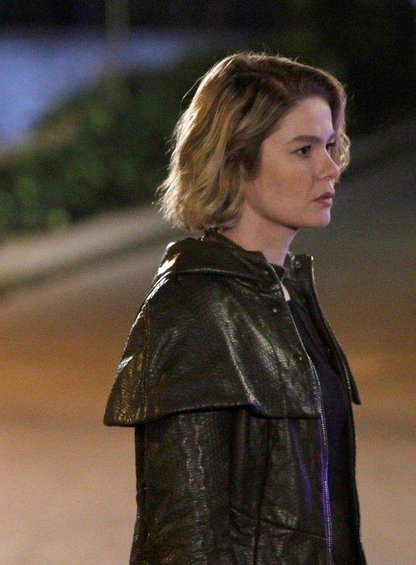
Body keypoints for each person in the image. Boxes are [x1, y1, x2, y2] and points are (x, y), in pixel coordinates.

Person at [103, 52, 365, 564]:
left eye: (330, 145)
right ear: (236, 161)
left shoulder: (284, 292)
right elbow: (186, 541)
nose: (331, 167)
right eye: (304, 150)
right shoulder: (193, 309)